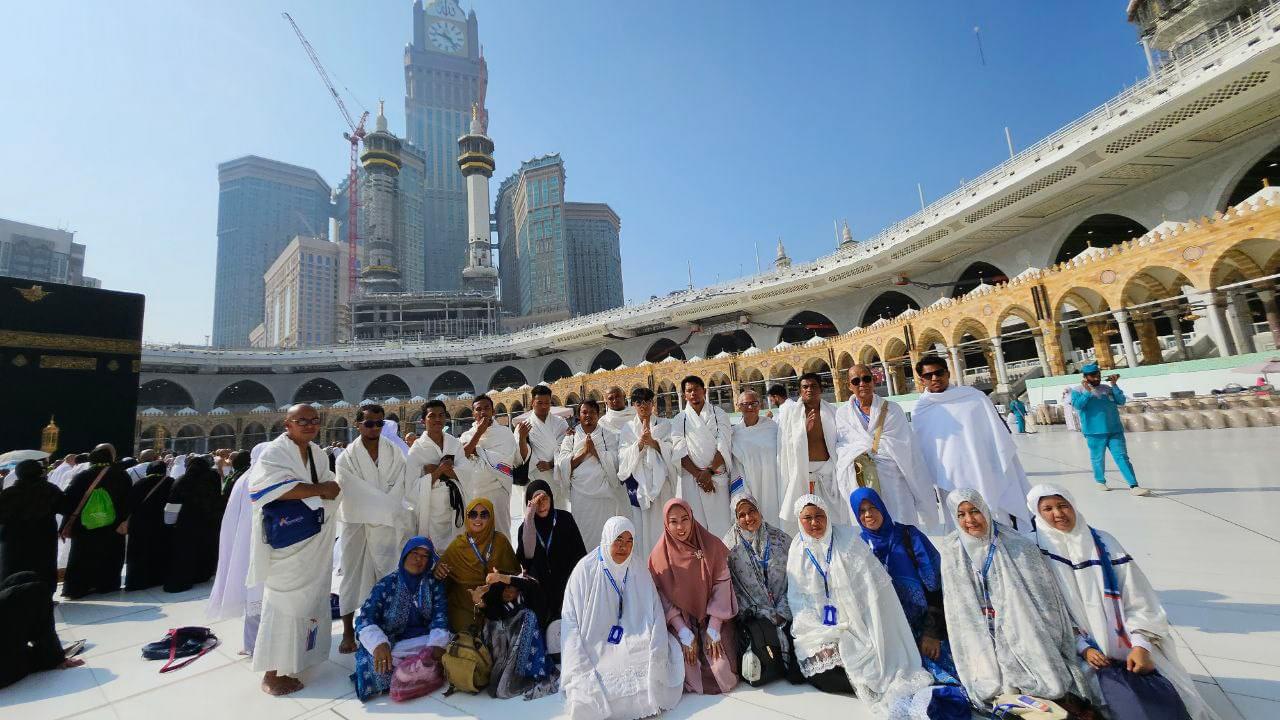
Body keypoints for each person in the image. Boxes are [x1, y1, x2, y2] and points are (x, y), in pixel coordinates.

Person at [1027, 485, 1216, 719]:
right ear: (1037, 513)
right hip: (1071, 647)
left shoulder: (1103, 542)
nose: (1058, 514)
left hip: (1124, 643)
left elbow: (1138, 597)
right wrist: (1082, 647)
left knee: (1163, 696)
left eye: (1063, 505)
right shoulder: (1034, 549)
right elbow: (1044, 611)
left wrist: (1141, 644)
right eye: (1047, 509)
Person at [784, 495, 946, 714]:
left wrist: (848, 626)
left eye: (819, 516)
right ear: (799, 520)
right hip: (820, 627)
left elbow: (871, 594)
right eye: (808, 518)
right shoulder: (797, 548)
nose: (814, 522)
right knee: (819, 669)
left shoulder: (849, 541)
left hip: (858, 622)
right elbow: (798, 599)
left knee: (870, 666)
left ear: (828, 516)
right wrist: (824, 631)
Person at [939, 488, 1096, 712]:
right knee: (989, 685)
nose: (969, 520)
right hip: (978, 628)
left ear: (985, 510)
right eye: (961, 515)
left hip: (1021, 623)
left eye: (974, 511)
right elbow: (956, 604)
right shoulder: (951, 549)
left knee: (1048, 680)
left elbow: (1043, 598)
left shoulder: (1016, 544)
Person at [246, 404, 343, 696]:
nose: (310, 425)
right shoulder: (274, 453)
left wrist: (328, 489)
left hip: (312, 538)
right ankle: (272, 673)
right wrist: (319, 490)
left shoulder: (317, 453)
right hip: (287, 542)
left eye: (315, 420)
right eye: (302, 421)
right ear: (287, 424)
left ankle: (299, 658)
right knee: (283, 605)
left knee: (309, 603)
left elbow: (329, 485)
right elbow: (263, 490)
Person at [561, 516, 684, 720]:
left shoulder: (637, 568)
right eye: (618, 539)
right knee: (601, 675)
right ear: (608, 538)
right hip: (596, 641)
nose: (623, 547)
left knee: (646, 665)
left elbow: (655, 611)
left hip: (636, 634)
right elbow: (570, 619)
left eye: (629, 541)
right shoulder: (585, 570)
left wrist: (657, 644)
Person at [850, 487, 959, 686]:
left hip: (926, 628)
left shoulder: (909, 536)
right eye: (862, 511)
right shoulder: (859, 547)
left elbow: (937, 587)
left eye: (873, 508)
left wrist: (932, 633)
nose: (868, 515)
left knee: (948, 676)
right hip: (890, 634)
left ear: (882, 507)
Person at [911, 356, 1034, 530]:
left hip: (983, 470)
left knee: (992, 517)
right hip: (949, 478)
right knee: (960, 523)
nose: (935, 378)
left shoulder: (974, 398)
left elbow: (996, 435)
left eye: (939, 373)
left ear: (948, 373)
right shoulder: (921, 409)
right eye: (928, 375)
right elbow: (923, 449)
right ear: (921, 380)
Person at [335, 404, 413, 654]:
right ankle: (348, 631)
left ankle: (386, 624)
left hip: (387, 524)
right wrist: (385, 505)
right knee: (352, 575)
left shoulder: (394, 452)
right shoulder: (346, 457)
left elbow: (402, 484)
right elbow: (351, 490)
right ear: (358, 425)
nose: (375, 428)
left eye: (380, 423)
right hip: (357, 523)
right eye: (369, 423)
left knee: (388, 573)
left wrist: (385, 506)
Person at [835, 364, 941, 533]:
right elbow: (843, 447)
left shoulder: (892, 409)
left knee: (902, 525)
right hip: (864, 482)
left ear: (873, 380)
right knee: (874, 530)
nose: (862, 384)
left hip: (894, 480)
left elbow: (905, 446)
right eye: (856, 381)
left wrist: (868, 451)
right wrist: (863, 452)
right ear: (849, 386)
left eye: (866, 379)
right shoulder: (842, 414)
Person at [648, 498, 738, 695]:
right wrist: (683, 632)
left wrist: (714, 628)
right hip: (681, 621)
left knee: (722, 669)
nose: (680, 527)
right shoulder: (658, 556)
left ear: (691, 517)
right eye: (673, 521)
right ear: (666, 523)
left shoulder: (711, 545)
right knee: (688, 667)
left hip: (714, 616)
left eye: (684, 519)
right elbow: (663, 599)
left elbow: (722, 586)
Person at [350, 536, 450, 702]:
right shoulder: (386, 584)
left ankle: (411, 674)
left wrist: (436, 646)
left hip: (422, 642)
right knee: (374, 663)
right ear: (404, 555)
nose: (419, 559)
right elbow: (365, 618)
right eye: (414, 553)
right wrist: (378, 644)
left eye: (425, 556)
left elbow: (441, 618)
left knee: (448, 651)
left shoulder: (434, 585)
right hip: (393, 644)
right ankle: (418, 674)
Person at [722, 492, 797, 682]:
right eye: (742, 514)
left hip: (787, 608)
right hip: (754, 616)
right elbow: (731, 590)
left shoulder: (780, 539)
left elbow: (796, 578)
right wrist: (763, 613)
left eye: (752, 511)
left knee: (800, 669)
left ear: (759, 510)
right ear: (735, 518)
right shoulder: (728, 547)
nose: (748, 518)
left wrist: (782, 611)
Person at [207, 442, 266, 656]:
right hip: (259, 544)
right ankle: (259, 646)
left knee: (255, 597)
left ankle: (253, 645)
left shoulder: (242, 478)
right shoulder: (260, 478)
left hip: (244, 545)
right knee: (260, 596)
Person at [433, 497, 519, 633]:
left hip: (496, 604)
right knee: (468, 639)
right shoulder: (457, 546)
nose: (478, 519)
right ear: (467, 517)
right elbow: (439, 575)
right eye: (473, 514)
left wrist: (506, 586)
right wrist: (438, 572)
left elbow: (515, 576)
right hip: (465, 607)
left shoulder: (500, 542)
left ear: (491, 517)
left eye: (484, 515)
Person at [515, 479, 587, 638]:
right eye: (537, 501)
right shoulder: (525, 528)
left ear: (551, 498)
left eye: (545, 498)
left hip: (568, 586)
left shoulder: (565, 519)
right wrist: (529, 519)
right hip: (540, 593)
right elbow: (526, 559)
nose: (541, 505)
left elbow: (580, 555)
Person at [59, 444, 131, 599]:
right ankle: (107, 585)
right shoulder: (122, 475)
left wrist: (65, 524)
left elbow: (69, 502)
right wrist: (124, 520)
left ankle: (78, 588)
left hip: (85, 527)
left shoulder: (83, 476)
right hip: (112, 526)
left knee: (82, 557)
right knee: (110, 555)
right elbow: (128, 501)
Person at [1071, 363, 1149, 496]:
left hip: (1114, 429)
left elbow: (1121, 401)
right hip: (1094, 432)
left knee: (1122, 457)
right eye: (1093, 376)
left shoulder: (1107, 389)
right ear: (1085, 377)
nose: (1097, 378)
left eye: (1098, 375)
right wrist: (1087, 392)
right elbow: (1078, 405)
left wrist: (1114, 385)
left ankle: (1134, 485)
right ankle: (1100, 481)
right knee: (1098, 458)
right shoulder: (1077, 390)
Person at [555, 400, 624, 549]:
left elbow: (615, 461)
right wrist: (585, 452)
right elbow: (562, 464)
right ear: (578, 415)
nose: (588, 415)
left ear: (598, 415)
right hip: (580, 495)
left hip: (604, 493)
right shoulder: (571, 437)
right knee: (582, 533)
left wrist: (595, 451)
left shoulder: (607, 435)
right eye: (584, 412)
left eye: (592, 412)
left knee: (605, 533)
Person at [670, 375, 734, 536]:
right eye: (689, 391)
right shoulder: (680, 419)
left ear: (704, 391)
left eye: (696, 389)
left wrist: (709, 472)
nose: (693, 393)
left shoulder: (719, 414)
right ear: (684, 395)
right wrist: (700, 476)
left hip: (716, 477)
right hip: (693, 480)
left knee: (723, 525)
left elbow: (724, 444)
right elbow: (679, 451)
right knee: (697, 528)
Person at [778, 373, 844, 526]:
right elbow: (785, 447)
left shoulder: (833, 412)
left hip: (828, 473)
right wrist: (803, 432)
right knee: (804, 520)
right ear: (799, 391)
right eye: (805, 387)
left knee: (832, 519)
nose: (809, 389)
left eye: (813, 386)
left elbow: (841, 442)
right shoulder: (791, 415)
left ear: (821, 389)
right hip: (802, 473)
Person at [616, 387, 677, 553]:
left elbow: (672, 450)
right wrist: (640, 444)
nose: (643, 406)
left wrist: (653, 443)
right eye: (638, 402)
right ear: (633, 405)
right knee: (640, 525)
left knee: (662, 521)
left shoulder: (664, 425)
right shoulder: (628, 428)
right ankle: (644, 560)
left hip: (661, 483)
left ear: (652, 403)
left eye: (647, 402)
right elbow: (622, 456)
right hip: (638, 484)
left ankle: (665, 557)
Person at [0, 571, 85, 689]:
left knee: (25, 579)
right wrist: (56, 658)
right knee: (37, 592)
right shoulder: (39, 592)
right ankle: (48, 655)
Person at [406, 400, 467, 550]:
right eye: (432, 416)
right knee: (433, 551)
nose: (437, 419)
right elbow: (411, 488)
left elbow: (467, 473)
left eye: (441, 415)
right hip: (430, 509)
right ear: (423, 420)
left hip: (454, 507)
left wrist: (438, 470)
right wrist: (440, 471)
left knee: (456, 549)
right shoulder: (417, 450)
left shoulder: (454, 443)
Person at [456, 395, 518, 537]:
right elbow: (461, 457)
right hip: (475, 492)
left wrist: (477, 452)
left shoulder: (504, 433)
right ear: (473, 413)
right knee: (477, 534)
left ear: (493, 411)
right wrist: (479, 433)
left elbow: (505, 461)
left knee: (500, 533)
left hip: (498, 490)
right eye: (478, 409)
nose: (483, 412)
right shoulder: (467, 435)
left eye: (486, 408)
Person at [0, 460, 62, 592]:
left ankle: (12, 595)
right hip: (44, 537)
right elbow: (65, 506)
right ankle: (44, 595)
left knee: (13, 568)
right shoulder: (50, 490)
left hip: (13, 539)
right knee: (44, 568)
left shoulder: (9, 493)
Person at [163, 454, 223, 592]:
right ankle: (203, 574)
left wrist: (169, 523)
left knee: (187, 551)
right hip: (210, 522)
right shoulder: (213, 478)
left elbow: (173, 505)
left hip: (188, 523)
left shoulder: (182, 481)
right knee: (205, 548)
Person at [729, 389, 785, 524]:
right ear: (738, 406)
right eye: (745, 404)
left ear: (760, 405)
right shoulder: (735, 433)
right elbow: (736, 466)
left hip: (774, 482)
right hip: (750, 485)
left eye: (754, 403)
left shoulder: (772, 427)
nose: (750, 407)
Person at [517, 385, 569, 509]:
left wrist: (551, 464)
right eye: (540, 403)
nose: (544, 406)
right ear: (532, 403)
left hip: (556, 475)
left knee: (558, 512)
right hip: (535, 478)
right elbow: (520, 457)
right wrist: (522, 438)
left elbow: (566, 449)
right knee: (536, 514)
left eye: (547, 403)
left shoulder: (560, 422)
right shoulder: (524, 426)